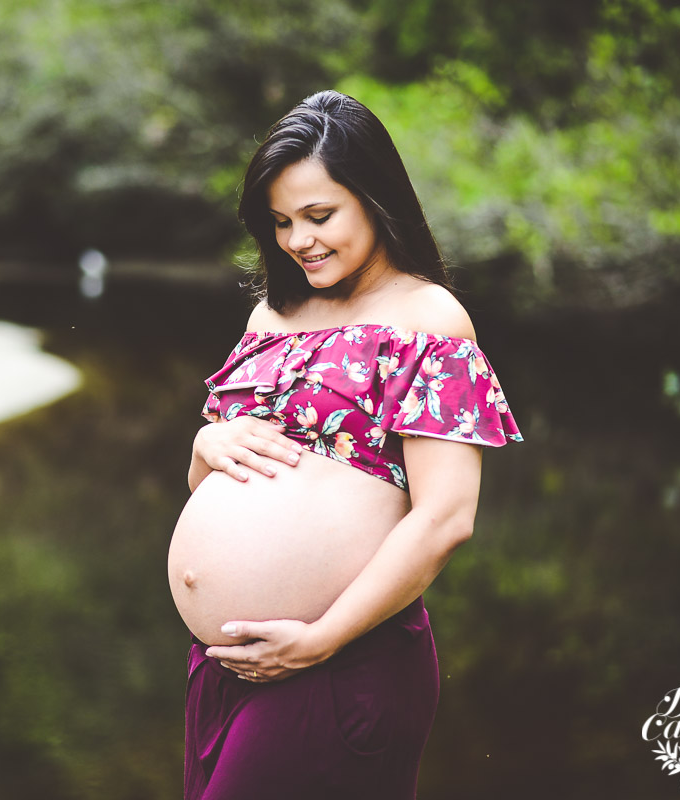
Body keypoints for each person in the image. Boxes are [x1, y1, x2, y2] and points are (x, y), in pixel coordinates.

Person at [167, 90, 523, 799]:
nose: (300, 240)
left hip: (338, 664)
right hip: (229, 665)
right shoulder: (273, 314)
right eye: (281, 222)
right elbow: (204, 482)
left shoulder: (427, 318)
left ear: (375, 198)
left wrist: (321, 639)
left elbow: (445, 517)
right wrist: (211, 442)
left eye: (319, 216)